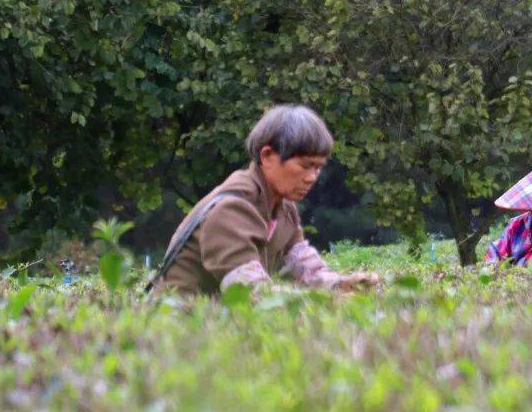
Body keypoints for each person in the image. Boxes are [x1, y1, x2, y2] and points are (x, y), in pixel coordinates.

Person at [150, 105, 379, 296]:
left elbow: (303, 268)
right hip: (174, 334)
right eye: (305, 165)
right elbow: (251, 293)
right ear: (267, 156)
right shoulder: (232, 210)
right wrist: (329, 303)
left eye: (319, 167)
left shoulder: (283, 207)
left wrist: (342, 285)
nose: (312, 177)